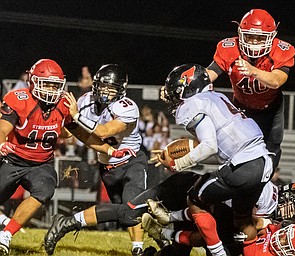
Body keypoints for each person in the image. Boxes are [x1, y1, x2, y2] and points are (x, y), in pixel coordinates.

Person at [44, 63, 273, 255]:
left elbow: (209, 145)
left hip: (201, 175)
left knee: (138, 214)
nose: (170, 96)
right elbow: (213, 144)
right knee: (138, 214)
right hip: (245, 167)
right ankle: (164, 231)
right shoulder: (215, 100)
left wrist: (178, 163)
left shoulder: (193, 104)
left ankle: (159, 230)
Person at [0, 59, 132, 254]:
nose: (51, 90)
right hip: (12, 159)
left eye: (55, 85)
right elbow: (2, 128)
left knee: (44, 189)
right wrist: (2, 143)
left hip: (40, 164)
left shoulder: (63, 104)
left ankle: (6, 234)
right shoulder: (18, 99)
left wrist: (109, 150)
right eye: (47, 84)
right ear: (33, 82)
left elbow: (82, 135)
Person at [46, 64, 148, 256]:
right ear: (95, 85)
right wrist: (57, 119)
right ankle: (138, 248)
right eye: (102, 86)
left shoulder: (126, 107)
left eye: (111, 88)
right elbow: (68, 133)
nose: (105, 92)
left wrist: (76, 116)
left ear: (121, 90)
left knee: (132, 206)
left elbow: (103, 131)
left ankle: (138, 248)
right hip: (107, 165)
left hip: (131, 160)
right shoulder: (85, 101)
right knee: (125, 213)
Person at [206, 9, 295, 170]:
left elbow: (276, 81)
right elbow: (208, 75)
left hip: (271, 107)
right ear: (240, 34)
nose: (254, 42)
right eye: (249, 36)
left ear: (271, 37)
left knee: (272, 148)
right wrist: (181, 84)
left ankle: (264, 184)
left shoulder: (282, 50)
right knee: (236, 150)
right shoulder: (229, 48)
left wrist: (254, 71)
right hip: (242, 106)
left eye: (260, 38)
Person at [143, 182, 295, 255]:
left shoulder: (281, 225)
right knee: (195, 238)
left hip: (233, 237)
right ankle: (166, 226)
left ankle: (163, 233)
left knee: (202, 239)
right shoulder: (268, 195)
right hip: (221, 211)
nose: (289, 215)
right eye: (293, 209)